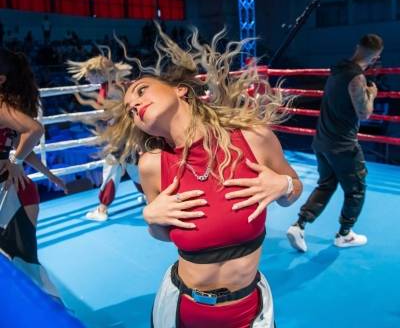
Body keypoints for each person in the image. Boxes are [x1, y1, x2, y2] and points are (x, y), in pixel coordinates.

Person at [100, 25, 303, 327]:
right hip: (183, 309)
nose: (136, 106)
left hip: (248, 309)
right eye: (130, 110)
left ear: (180, 89)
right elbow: (164, 232)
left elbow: (294, 189)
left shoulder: (253, 138)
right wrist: (150, 218)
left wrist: (284, 184)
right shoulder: (152, 165)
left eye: (142, 91)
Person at [287, 34, 383, 252]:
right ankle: (345, 234)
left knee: (326, 184)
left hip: (322, 141)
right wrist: (372, 94)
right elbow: (364, 113)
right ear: (375, 57)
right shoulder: (356, 78)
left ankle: (299, 225)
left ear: (357, 47)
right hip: (343, 146)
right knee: (356, 189)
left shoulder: (337, 70)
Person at [0, 48, 67, 301]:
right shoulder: (7, 106)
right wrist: (49, 175)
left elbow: (34, 130)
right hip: (14, 191)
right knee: (19, 261)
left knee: (24, 262)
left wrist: (14, 160)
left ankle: (55, 314)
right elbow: (21, 148)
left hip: (11, 194)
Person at [67, 53, 139, 222]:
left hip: (121, 136)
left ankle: (102, 209)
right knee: (134, 168)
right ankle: (152, 196)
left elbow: (119, 114)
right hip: (125, 135)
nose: (86, 78)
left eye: (89, 75)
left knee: (111, 169)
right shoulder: (111, 85)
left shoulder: (113, 88)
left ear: (99, 73)